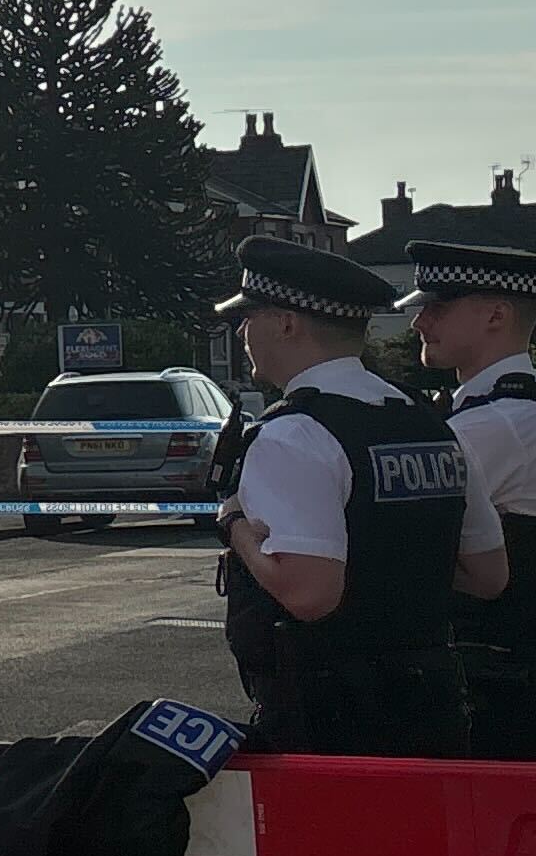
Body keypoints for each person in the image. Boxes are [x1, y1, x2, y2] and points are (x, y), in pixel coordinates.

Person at [214, 235, 506, 756]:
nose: (242, 330)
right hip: (433, 706)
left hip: (329, 719)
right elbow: (487, 577)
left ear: (286, 323)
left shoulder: (294, 433)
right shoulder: (430, 424)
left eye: (250, 315)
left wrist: (234, 526)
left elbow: (309, 595)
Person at [410, 238, 536, 761]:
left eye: (438, 307)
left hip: (498, 682)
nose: (420, 322)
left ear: (496, 314)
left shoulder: (492, 425)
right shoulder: (502, 413)